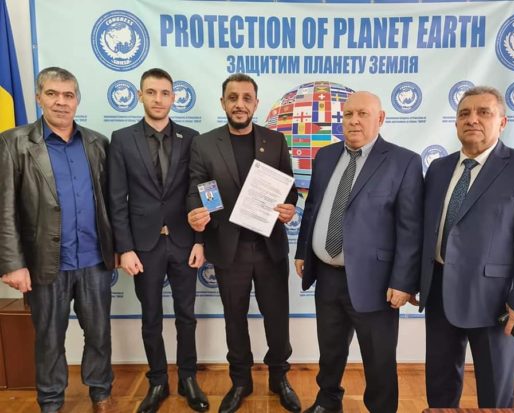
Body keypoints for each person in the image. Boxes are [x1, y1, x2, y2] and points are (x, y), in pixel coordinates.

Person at [418, 86, 514, 408]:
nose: (472, 119)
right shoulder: (438, 168)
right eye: (464, 113)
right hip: (439, 293)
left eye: (483, 113)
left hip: (496, 301)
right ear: (456, 123)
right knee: (439, 386)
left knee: (495, 395)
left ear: (502, 122)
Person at [295, 91, 423, 413]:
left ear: (380, 119)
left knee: (378, 359)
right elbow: (313, 207)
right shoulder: (325, 156)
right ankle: (327, 402)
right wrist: (302, 251)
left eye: (362, 114)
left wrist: (403, 281)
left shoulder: (403, 161)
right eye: (348, 114)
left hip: (375, 282)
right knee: (330, 350)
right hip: (327, 276)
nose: (353, 121)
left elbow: (411, 228)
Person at [0, 67, 115, 413]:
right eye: (52, 94)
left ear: (77, 100)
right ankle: (51, 401)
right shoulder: (14, 142)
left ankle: (101, 393)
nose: (61, 102)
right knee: (49, 339)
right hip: (45, 264)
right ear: (39, 97)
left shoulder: (97, 143)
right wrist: (13, 263)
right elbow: (5, 207)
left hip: (94, 261)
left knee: (99, 334)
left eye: (68, 95)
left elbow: (111, 203)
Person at [187, 73, 301, 413]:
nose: (240, 104)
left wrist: (289, 207)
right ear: (223, 102)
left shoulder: (275, 141)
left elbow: (289, 188)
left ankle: (279, 377)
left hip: (269, 248)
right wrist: (197, 214)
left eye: (246, 98)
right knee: (234, 319)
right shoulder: (205, 144)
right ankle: (240, 381)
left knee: (277, 318)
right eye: (233, 98)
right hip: (228, 248)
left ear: (256, 103)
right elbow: (197, 188)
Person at [109, 68, 208, 413]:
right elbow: (116, 199)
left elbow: (201, 192)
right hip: (143, 246)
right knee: (151, 316)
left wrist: (200, 241)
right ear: (140, 96)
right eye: (151, 92)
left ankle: (188, 378)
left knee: (186, 316)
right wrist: (124, 248)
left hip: (184, 243)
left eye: (165, 93)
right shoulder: (122, 139)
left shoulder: (192, 138)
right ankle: (157, 382)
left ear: (173, 97)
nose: (158, 99)